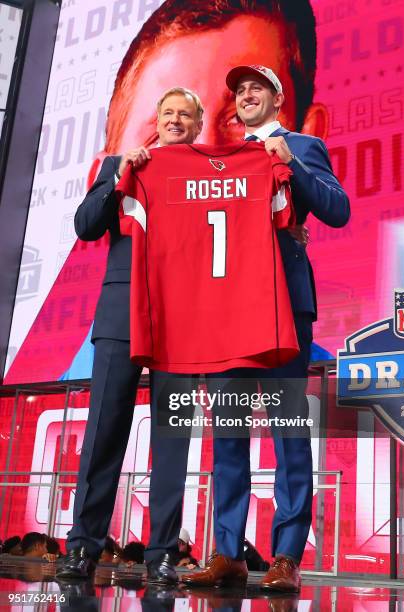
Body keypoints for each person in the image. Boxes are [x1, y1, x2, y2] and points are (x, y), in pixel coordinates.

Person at [182, 65, 349, 592]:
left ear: (277, 98)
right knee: (227, 430)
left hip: (284, 307)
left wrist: (290, 165)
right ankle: (228, 552)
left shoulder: (301, 144)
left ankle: (286, 556)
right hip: (229, 310)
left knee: (288, 432)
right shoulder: (218, 161)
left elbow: (337, 209)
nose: (245, 94)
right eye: (239, 90)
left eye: (256, 87)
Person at [56, 88, 203, 584]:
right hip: (120, 315)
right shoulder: (119, 165)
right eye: (169, 113)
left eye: (186, 114)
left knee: (171, 437)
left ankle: (162, 552)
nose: (176, 120)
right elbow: (86, 225)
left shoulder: (210, 173)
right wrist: (118, 178)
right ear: (156, 121)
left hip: (182, 320)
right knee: (102, 432)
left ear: (199, 126)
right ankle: (83, 547)